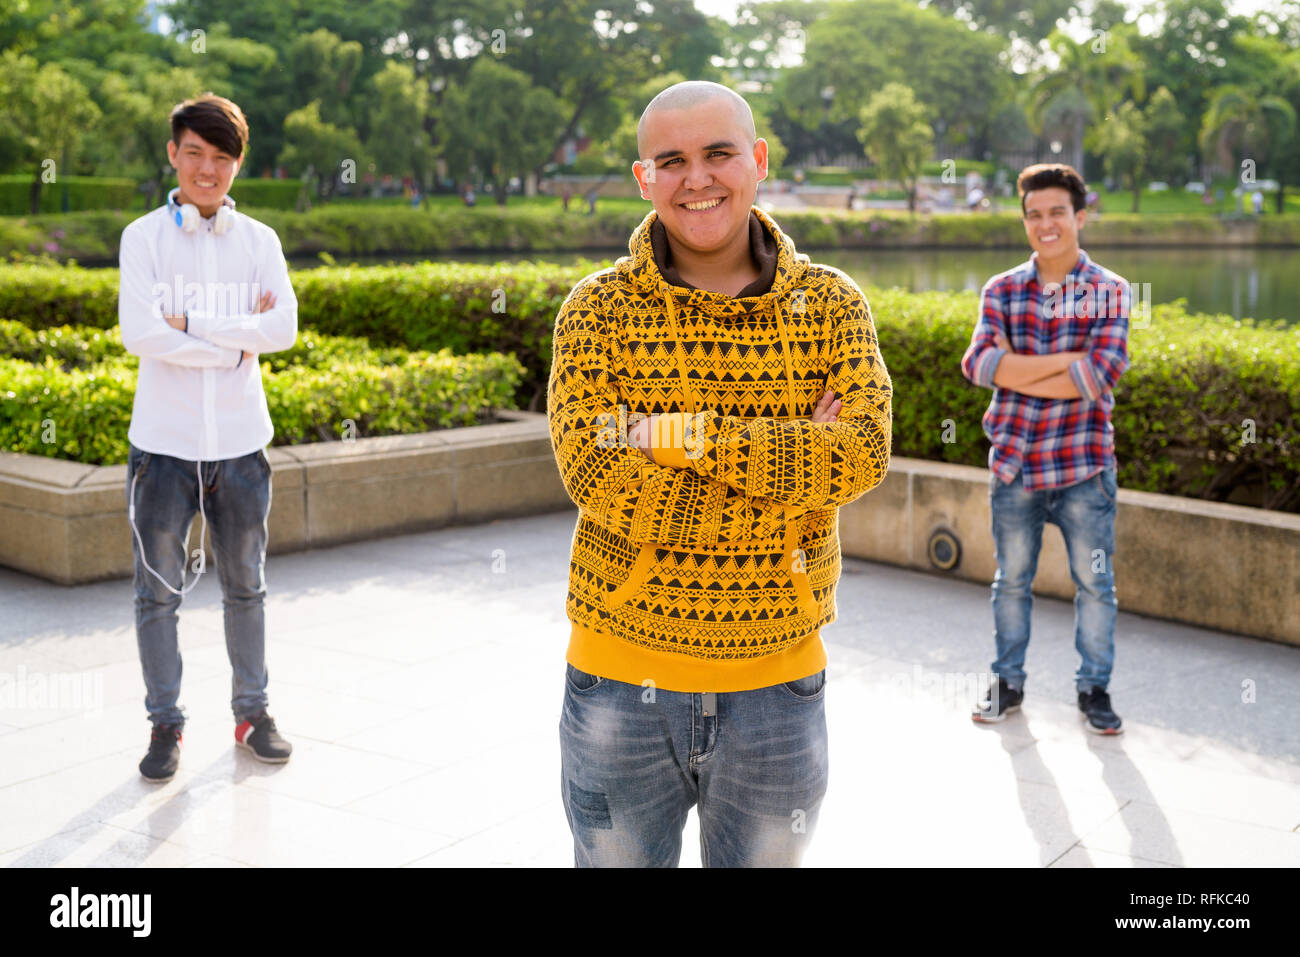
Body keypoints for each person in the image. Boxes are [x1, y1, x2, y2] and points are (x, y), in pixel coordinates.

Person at [546, 80, 893, 867]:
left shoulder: (835, 306)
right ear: (645, 178)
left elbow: (863, 454)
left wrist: (680, 438)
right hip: (617, 679)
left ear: (759, 160)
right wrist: (796, 469)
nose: (696, 178)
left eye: (718, 154)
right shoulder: (595, 311)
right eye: (672, 161)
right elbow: (597, 475)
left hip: (778, 681)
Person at [118, 93, 298, 783]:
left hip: (241, 448)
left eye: (221, 157)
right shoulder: (143, 239)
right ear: (173, 153)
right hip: (161, 448)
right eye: (194, 152)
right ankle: (165, 722)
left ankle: (252, 713)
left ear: (236, 164)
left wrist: (188, 326)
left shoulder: (260, 241)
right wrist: (232, 340)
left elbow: (280, 329)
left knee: (246, 586)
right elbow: (141, 334)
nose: (206, 169)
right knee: (156, 593)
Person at [959, 163, 1130, 734]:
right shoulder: (1001, 289)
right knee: (1010, 581)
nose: (1045, 224)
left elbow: (1100, 374)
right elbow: (978, 365)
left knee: (1095, 584)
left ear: (1080, 217)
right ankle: (1006, 683)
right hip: (1014, 466)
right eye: (1034, 214)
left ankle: (1094, 690)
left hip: (1084, 468)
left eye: (1057, 212)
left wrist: (1017, 370)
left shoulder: (1110, 291)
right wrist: (1062, 363)